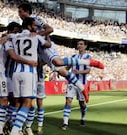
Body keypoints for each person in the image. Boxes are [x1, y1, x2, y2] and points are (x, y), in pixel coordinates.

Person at [18, 3, 104, 135]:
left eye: (21, 11)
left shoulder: (35, 19)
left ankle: (90, 62)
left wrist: (37, 36)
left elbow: (50, 29)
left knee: (58, 62)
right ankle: (82, 87)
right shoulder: (23, 27)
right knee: (61, 70)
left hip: (45, 47)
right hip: (37, 50)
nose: (19, 14)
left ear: (28, 12)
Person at [10, 17, 51, 135]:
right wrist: (46, 35)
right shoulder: (36, 36)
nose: (36, 28)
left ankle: (13, 126)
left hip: (16, 72)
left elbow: (5, 38)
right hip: (29, 72)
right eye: (34, 26)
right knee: (28, 103)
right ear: (29, 26)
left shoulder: (14, 37)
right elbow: (48, 45)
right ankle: (15, 130)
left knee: (17, 102)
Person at [61, 40, 92, 131]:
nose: (79, 45)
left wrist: (79, 72)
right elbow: (67, 68)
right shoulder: (73, 57)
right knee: (68, 101)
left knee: (82, 103)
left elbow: (88, 71)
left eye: (81, 44)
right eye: (78, 44)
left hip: (82, 84)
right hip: (72, 82)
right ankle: (65, 123)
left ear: (85, 46)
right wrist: (61, 71)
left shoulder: (88, 57)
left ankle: (83, 117)